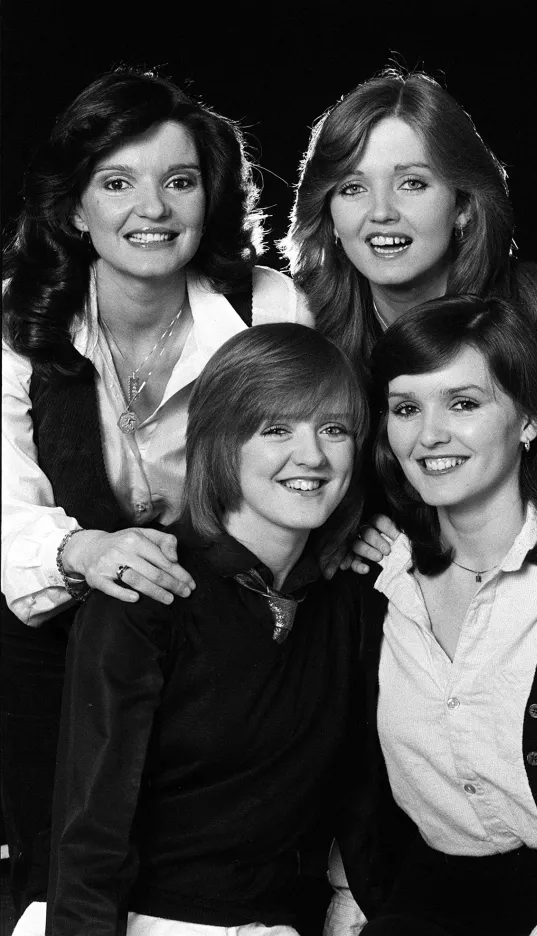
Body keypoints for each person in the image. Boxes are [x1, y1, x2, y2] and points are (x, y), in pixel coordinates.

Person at [1, 67, 311, 914]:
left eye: (179, 182)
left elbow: (306, 460)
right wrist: (86, 548)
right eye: (117, 183)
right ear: (74, 208)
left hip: (217, 627)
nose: (153, 209)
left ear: (209, 198)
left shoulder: (267, 304)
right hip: (66, 629)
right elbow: (4, 504)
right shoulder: (18, 321)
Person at [8, 323, 369, 936]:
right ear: (221, 443)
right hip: (120, 919)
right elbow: (89, 824)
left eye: (334, 429)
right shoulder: (150, 589)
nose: (312, 456)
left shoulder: (346, 604)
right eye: (276, 428)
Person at [328, 296, 537, 936]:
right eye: (406, 408)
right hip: (421, 906)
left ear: (530, 419)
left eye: (464, 403)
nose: (429, 434)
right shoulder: (377, 582)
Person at [281, 67, 537, 533]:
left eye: (412, 183)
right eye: (353, 188)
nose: (381, 213)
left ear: (462, 205)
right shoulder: (305, 324)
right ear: (329, 214)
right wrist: (344, 534)